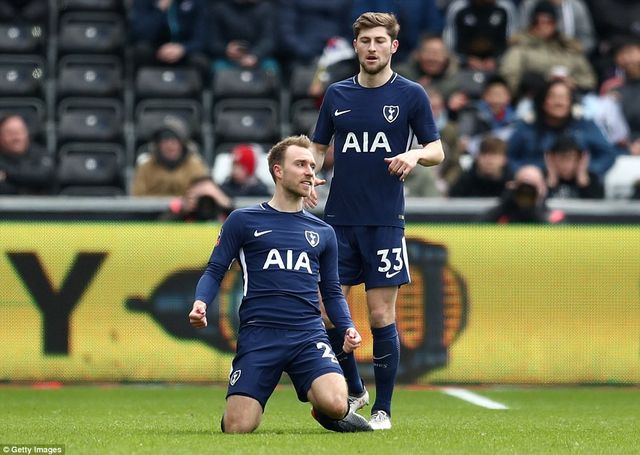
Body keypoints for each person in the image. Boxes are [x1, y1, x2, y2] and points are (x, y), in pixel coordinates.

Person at [309, 12, 445, 430]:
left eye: (379, 41)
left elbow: (437, 150)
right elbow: (317, 146)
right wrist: (310, 175)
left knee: (381, 315)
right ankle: (354, 387)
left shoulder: (410, 94)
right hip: (338, 222)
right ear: (355, 46)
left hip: (384, 221)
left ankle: (383, 409)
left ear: (393, 47)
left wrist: (414, 154)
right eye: (364, 40)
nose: (371, 47)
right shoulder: (336, 94)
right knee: (328, 313)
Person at [188, 135, 371, 434]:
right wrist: (201, 302)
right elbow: (215, 269)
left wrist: (348, 326)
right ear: (278, 171)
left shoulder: (323, 232)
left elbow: (332, 292)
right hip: (259, 335)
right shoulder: (243, 220)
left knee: (338, 403)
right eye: (300, 164)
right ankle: (246, 399)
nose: (310, 171)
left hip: (307, 334)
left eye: (312, 165)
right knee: (237, 427)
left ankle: (324, 408)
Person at [499, 0, 597, 94]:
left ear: (555, 24)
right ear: (532, 24)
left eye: (548, 22)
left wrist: (573, 83)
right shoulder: (520, 47)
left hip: (569, 97)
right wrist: (537, 85)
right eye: (538, 22)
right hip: (532, 98)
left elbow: (589, 79)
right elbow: (509, 76)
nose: (543, 26)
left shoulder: (569, 48)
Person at [131, 118, 208, 197]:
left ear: (183, 144)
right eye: (165, 141)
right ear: (157, 145)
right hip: (153, 209)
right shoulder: (145, 168)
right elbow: (137, 198)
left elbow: (203, 197)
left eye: (174, 140)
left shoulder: (195, 167)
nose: (169, 146)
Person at [481, 164, 565, 223]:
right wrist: (503, 205)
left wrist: (536, 210)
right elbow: (478, 231)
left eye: (533, 186)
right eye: (522, 186)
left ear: (543, 188)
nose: (527, 191)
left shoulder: (553, 217)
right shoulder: (500, 217)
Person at [0, 114, 54, 195]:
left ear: (27, 133)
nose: (16, 138)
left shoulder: (40, 153)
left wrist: (7, 175)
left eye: (19, 132)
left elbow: (45, 176)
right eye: (10, 133)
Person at [448, 135, 512, 197]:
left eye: (494, 154)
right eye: (484, 154)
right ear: (477, 157)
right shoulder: (464, 183)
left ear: (504, 159)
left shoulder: (511, 184)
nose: (489, 160)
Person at [159, 176, 233, 222]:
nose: (205, 202)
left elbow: (242, 227)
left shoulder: (225, 215)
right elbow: (162, 229)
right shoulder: (185, 214)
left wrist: (227, 204)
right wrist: (183, 210)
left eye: (209, 196)